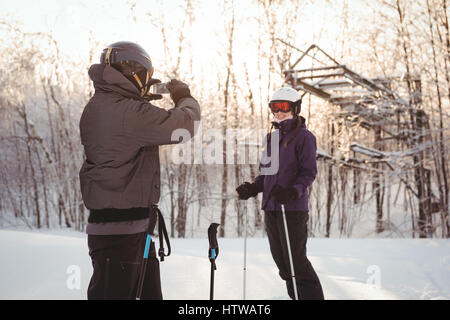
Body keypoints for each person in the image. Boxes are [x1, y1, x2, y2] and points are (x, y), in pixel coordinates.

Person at [79, 41, 200, 300]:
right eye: (144, 76)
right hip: (122, 234)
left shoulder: (104, 104)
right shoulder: (127, 111)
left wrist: (140, 99)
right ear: (134, 71)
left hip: (127, 230)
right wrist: (183, 96)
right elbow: (186, 125)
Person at [236, 86, 324, 300]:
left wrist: (293, 192)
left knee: (296, 262)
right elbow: (265, 174)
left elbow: (308, 172)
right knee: (282, 262)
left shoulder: (305, 137)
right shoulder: (271, 138)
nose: (279, 111)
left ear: (295, 108)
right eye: (274, 107)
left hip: (292, 209)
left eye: (283, 106)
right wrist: (253, 187)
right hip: (272, 208)